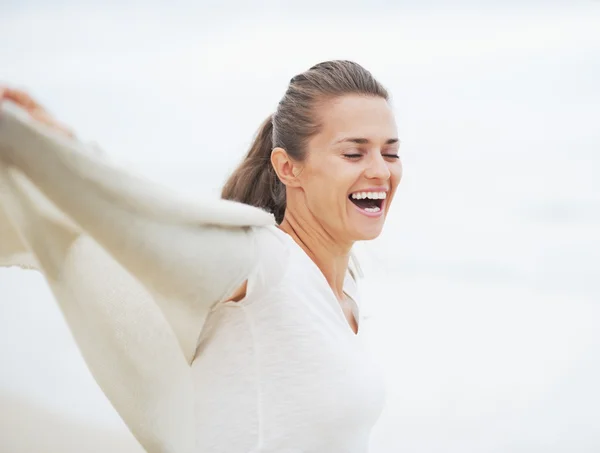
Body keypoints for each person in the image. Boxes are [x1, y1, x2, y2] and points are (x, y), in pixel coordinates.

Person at [0, 60, 402, 453]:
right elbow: (146, 223)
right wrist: (60, 148)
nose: (380, 171)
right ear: (288, 168)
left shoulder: (345, 287)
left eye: (390, 153)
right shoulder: (264, 262)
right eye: (354, 153)